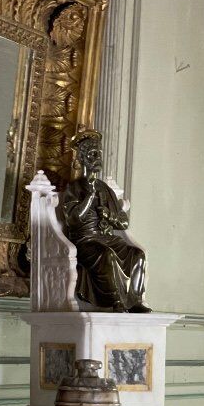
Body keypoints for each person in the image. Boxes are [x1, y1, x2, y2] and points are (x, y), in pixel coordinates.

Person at [62, 129, 150, 312]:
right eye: (93, 154)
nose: (98, 158)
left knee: (137, 255)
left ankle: (134, 301)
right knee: (106, 254)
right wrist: (89, 197)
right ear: (82, 159)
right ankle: (117, 301)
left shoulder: (106, 189)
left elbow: (123, 223)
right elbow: (73, 220)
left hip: (107, 238)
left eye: (99, 154)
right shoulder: (75, 188)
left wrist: (110, 216)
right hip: (86, 240)